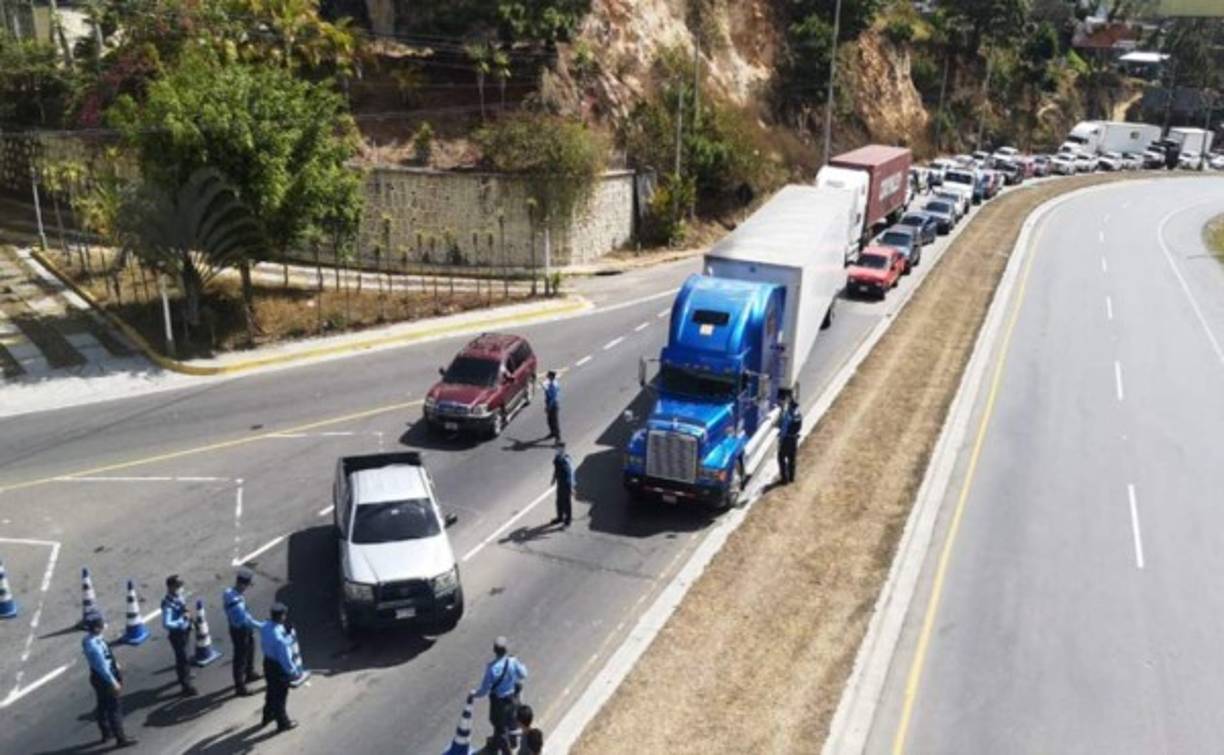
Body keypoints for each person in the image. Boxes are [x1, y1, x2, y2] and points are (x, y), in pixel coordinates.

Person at [82, 610, 137, 748]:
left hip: (98, 677)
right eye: (101, 623)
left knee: (102, 705)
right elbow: (102, 667)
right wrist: (113, 682)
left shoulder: (90, 639)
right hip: (105, 679)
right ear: (96, 627)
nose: (103, 625)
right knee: (114, 709)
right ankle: (121, 738)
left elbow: (105, 657)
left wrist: (115, 663)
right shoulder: (94, 646)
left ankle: (106, 732)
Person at [473, 636, 528, 755]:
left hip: (498, 703)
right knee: (512, 721)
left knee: (499, 727)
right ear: (506, 649)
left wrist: (474, 695)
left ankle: (505, 751)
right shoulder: (513, 661)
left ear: (494, 650)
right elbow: (524, 674)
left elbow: (484, 690)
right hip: (512, 698)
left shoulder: (492, 668)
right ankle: (512, 742)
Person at [223, 568, 264, 697]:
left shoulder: (230, 592)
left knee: (251, 649)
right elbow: (246, 620)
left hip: (244, 628)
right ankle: (240, 687)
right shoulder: (235, 603)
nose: (247, 588)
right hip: (239, 630)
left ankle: (250, 673)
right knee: (240, 658)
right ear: (242, 584)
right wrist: (262, 626)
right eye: (246, 585)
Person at [259, 602, 300, 732]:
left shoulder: (266, 626)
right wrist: (293, 672)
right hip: (278, 667)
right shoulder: (279, 639)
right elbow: (285, 657)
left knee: (271, 691)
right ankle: (283, 723)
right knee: (280, 696)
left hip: (267, 663)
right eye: (284, 615)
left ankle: (267, 715)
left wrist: (286, 633)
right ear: (282, 616)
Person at [161, 574, 196, 696]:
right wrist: (181, 621)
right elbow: (167, 623)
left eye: (180, 585)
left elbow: (184, 608)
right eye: (178, 586)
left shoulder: (178, 597)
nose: (180, 588)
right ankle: (186, 686)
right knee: (182, 659)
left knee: (185, 655)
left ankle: (185, 674)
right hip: (177, 635)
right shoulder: (168, 605)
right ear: (170, 587)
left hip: (185, 632)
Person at [777, 397, 802, 485]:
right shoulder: (798, 415)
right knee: (792, 459)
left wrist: (780, 439)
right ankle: (791, 477)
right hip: (794, 439)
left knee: (781, 458)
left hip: (786, 440)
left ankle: (784, 479)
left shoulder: (788, 415)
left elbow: (784, 429)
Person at [551, 445, 575, 527]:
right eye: (556, 449)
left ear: (562, 450)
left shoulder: (566, 459)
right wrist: (553, 479)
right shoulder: (557, 458)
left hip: (567, 484)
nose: (556, 450)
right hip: (560, 483)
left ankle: (568, 521)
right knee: (559, 501)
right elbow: (556, 470)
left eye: (557, 449)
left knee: (567, 502)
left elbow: (571, 473)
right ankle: (560, 517)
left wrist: (572, 487)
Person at [542, 371, 561, 444]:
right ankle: (552, 433)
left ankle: (558, 438)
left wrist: (548, 407)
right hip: (550, 404)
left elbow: (552, 398)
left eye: (548, 376)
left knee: (555, 422)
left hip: (553, 405)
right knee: (549, 421)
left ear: (551, 377)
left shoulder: (553, 385)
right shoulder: (552, 383)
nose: (547, 376)